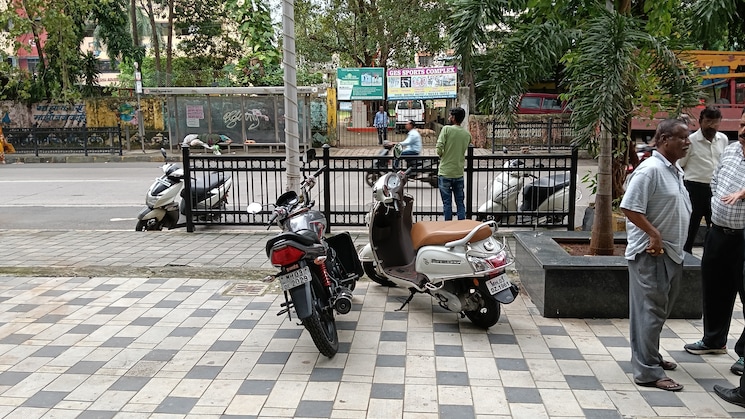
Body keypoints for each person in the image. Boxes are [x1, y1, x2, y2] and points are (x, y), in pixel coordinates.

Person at [620, 118, 692, 392]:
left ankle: (651, 355)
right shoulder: (650, 170)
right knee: (649, 312)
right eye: (682, 137)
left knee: (658, 311)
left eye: (688, 137)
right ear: (663, 140)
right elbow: (629, 207)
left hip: (671, 252)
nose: (687, 142)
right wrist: (654, 233)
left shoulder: (673, 169)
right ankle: (648, 371)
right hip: (651, 254)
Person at [685, 108, 745, 390]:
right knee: (715, 288)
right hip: (719, 232)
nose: (743, 131)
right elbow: (716, 179)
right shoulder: (730, 150)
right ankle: (714, 339)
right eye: (742, 125)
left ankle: (744, 353)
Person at [678, 106, 729, 253]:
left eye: (715, 122)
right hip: (694, 188)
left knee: (714, 226)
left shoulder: (723, 139)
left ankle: (710, 256)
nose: (711, 126)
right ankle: (686, 255)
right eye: (708, 121)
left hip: (715, 190)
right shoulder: (691, 141)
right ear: (700, 122)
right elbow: (680, 165)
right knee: (691, 225)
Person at [436, 107, 471, 220]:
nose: (449, 117)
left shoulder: (446, 129)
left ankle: (448, 226)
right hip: (458, 173)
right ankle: (462, 225)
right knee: (460, 203)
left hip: (445, 172)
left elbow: (439, 149)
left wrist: (442, 155)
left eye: (450, 115)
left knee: (447, 203)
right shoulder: (467, 134)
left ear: (454, 118)